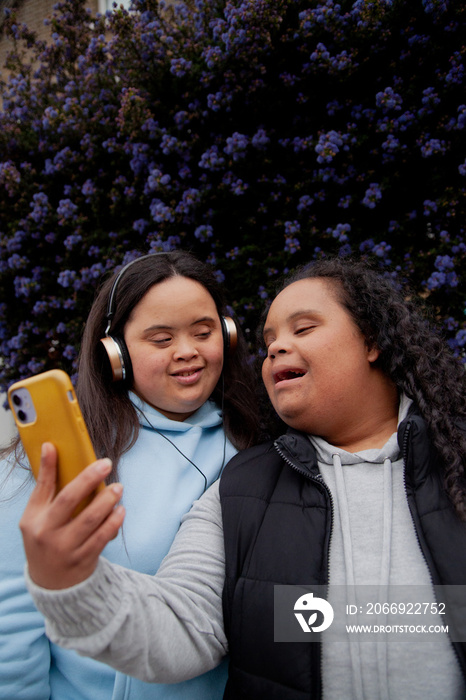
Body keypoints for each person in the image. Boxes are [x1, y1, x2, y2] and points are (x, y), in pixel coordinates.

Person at [20, 257, 466, 699]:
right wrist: (73, 583)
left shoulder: (455, 466)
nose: (275, 347)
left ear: (372, 341)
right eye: (269, 339)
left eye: (303, 329)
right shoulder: (240, 488)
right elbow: (183, 624)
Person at [0, 250, 261, 700]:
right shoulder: (52, 457)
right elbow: (12, 620)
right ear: (116, 353)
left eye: (204, 332)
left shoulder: (258, 447)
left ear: (229, 334)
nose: (188, 352)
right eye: (161, 339)